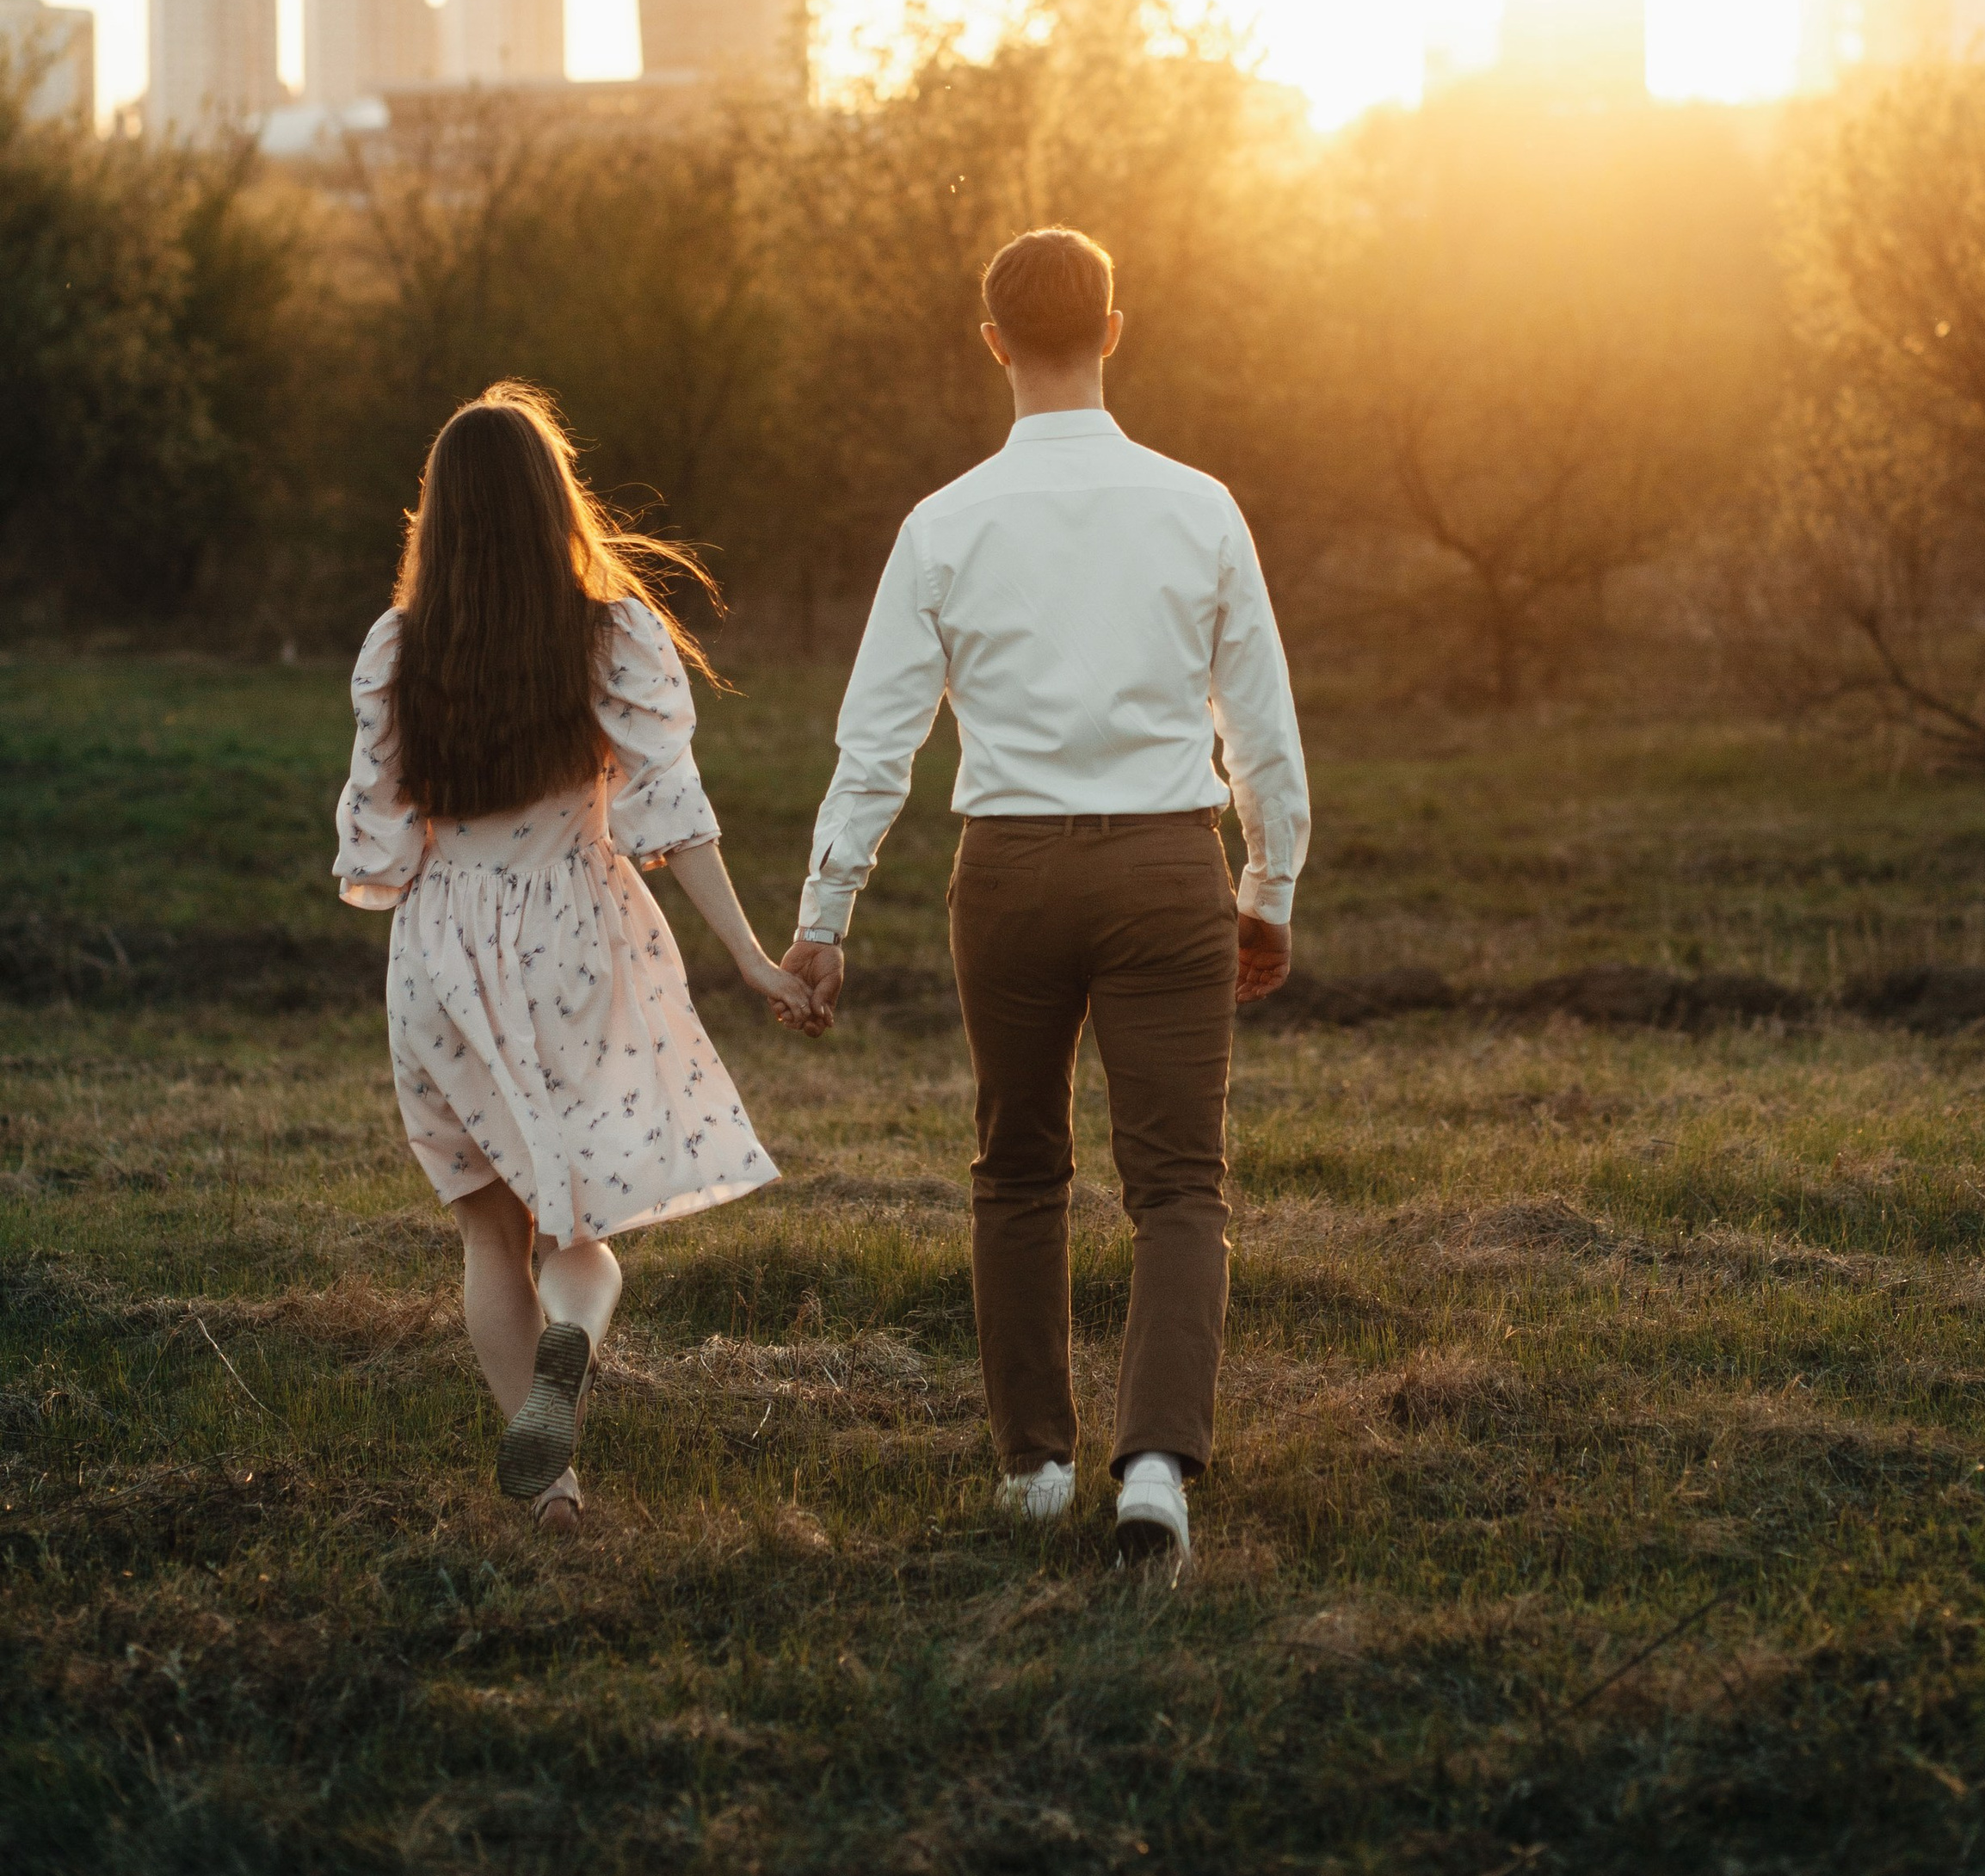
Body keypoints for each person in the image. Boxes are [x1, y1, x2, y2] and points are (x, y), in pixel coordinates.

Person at [779, 226, 1309, 1571]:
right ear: (1116, 331)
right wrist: (1270, 884)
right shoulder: (1201, 507)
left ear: (994, 342)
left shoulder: (945, 522)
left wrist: (826, 916)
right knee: (1179, 1186)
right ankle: (1153, 1472)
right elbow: (1263, 727)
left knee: (1018, 1171)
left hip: (1005, 880)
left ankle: (1032, 1469)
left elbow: (877, 739)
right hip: (1164, 869)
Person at [334, 381, 811, 1527]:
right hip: (577, 944)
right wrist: (750, 956)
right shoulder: (613, 629)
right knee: (577, 1234)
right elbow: (670, 813)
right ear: (559, 501)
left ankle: (549, 1478)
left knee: (489, 1231)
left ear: (435, 517)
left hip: (443, 946)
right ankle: (573, 1342)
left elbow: (383, 848)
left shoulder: (398, 649)